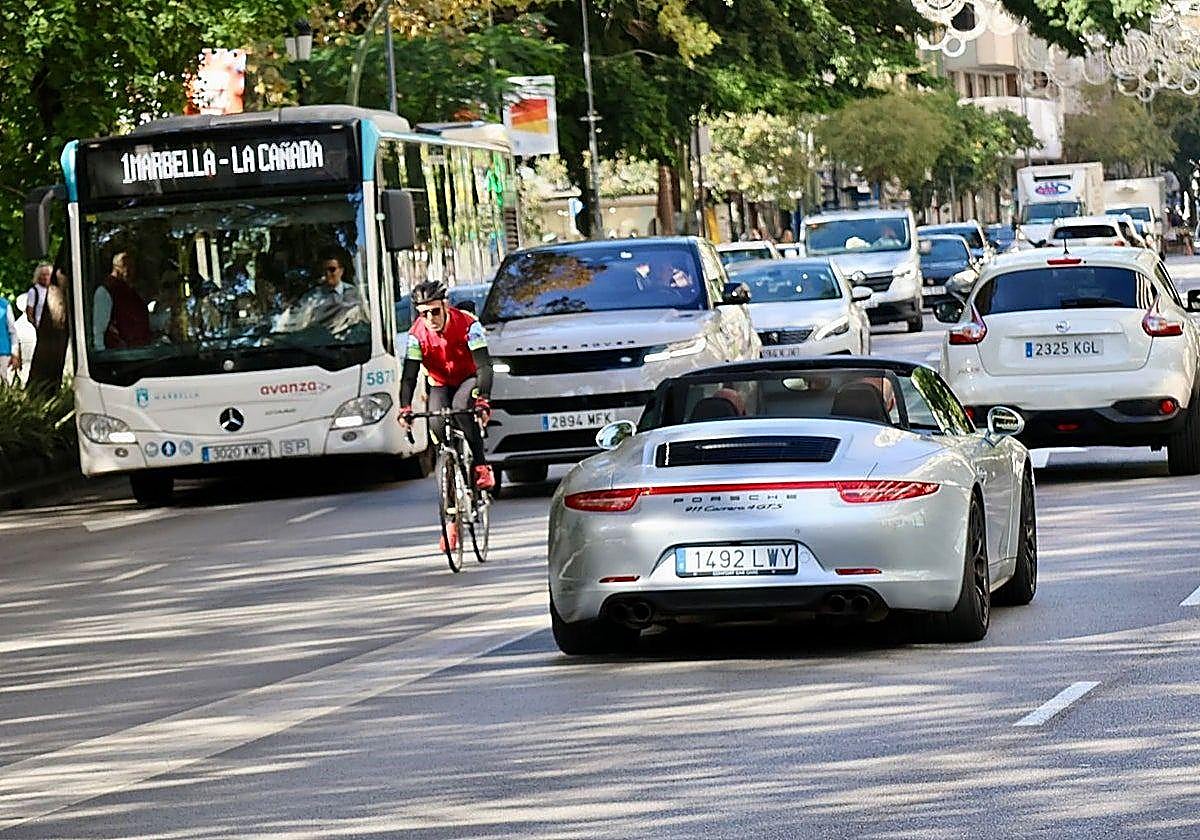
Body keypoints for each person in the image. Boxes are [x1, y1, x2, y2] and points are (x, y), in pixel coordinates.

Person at [398, 280, 495, 497]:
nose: (430, 319)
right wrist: (405, 408)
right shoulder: (416, 335)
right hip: (440, 382)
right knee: (437, 423)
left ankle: (481, 466)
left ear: (445, 305)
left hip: (469, 378)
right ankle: (451, 508)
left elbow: (485, 366)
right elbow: (409, 377)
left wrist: (483, 400)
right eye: (424, 314)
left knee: (461, 406)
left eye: (434, 311)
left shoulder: (469, 325)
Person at [93, 252, 151, 351]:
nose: (132, 271)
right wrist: (102, 355)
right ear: (118, 268)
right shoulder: (105, 292)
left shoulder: (130, 292)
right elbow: (99, 330)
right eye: (129, 266)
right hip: (120, 357)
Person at [0, 296, 20, 385]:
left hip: (3, 353)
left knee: (3, 383)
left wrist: (15, 353)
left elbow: (12, 331)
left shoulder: (4, 305)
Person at [25, 264, 51, 328]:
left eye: (48, 274)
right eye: (43, 275)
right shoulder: (34, 291)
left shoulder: (54, 291)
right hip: (41, 328)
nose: (46, 277)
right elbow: (29, 313)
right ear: (38, 276)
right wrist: (36, 325)